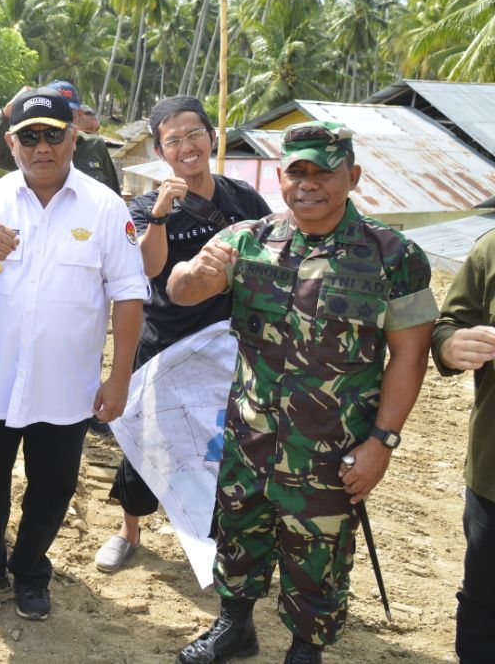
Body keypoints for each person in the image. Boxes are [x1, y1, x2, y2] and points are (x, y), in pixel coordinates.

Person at [167, 121, 437, 664]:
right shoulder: (248, 239)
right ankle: (235, 627)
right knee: (240, 538)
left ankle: (306, 649)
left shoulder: (394, 256)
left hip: (330, 451)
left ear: (352, 177)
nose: (308, 184)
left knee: (319, 556)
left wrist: (383, 441)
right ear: (281, 179)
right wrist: (195, 270)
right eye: (297, 172)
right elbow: (180, 292)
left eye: (323, 171)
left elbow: (411, 354)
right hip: (250, 439)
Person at [0, 87, 147, 621]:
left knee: (51, 488)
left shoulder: (103, 206)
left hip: (64, 386)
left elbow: (129, 296)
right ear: (12, 142)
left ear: (74, 137)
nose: (41, 146)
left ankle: (30, 572)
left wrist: (118, 381)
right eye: (30, 136)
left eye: (53, 134)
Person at [94, 96, 271, 573]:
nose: (186, 146)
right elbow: (148, 269)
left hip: (226, 346)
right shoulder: (146, 205)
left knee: (223, 443)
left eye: (194, 134)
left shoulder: (242, 199)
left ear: (212, 138)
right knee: (146, 438)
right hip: (164, 344)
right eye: (173, 140)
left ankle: (219, 538)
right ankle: (129, 529)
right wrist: (160, 214)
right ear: (160, 151)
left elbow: (272, 255)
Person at [432, 228, 495, 662]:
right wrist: (452, 346)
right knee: (485, 603)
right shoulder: (492, 249)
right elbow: (450, 323)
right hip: (494, 473)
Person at [0, 81, 119, 193]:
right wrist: (7, 112)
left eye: (69, 111)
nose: (44, 148)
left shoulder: (94, 145)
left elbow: (112, 193)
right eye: (54, 112)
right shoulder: (29, 145)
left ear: (80, 112)